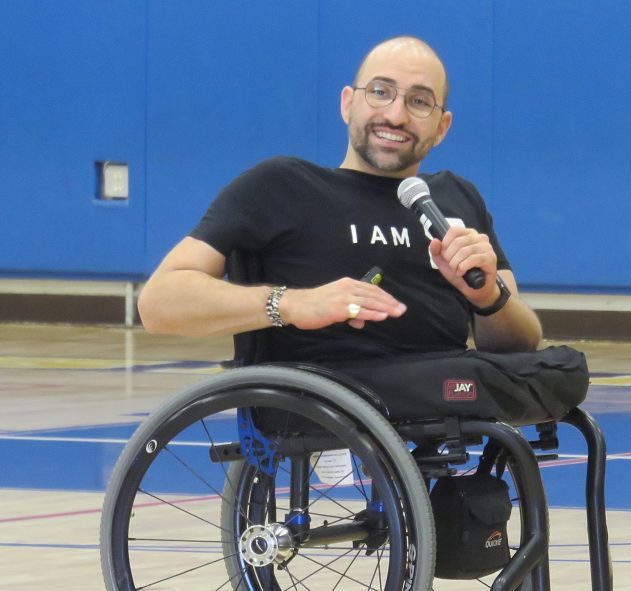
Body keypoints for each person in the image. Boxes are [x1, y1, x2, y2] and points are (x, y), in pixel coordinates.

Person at [138, 36, 542, 363]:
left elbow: (520, 344)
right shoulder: (280, 185)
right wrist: (292, 304)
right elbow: (158, 303)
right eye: (381, 92)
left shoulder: (458, 199)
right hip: (322, 415)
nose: (396, 115)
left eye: (419, 101)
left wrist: (488, 297)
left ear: (442, 128)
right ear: (348, 103)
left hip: (442, 406)